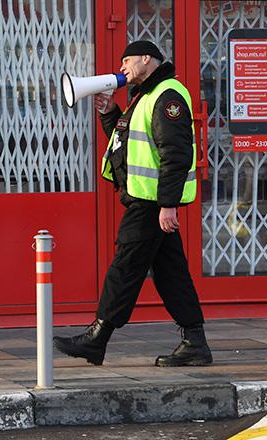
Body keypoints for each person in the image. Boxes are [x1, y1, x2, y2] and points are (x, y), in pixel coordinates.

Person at [53, 40, 212, 368]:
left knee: (125, 267)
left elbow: (176, 154)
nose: (123, 67)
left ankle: (97, 338)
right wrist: (109, 112)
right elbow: (125, 143)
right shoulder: (146, 96)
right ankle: (194, 341)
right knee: (171, 273)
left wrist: (168, 204)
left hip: (151, 202)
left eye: (128, 60)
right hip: (149, 200)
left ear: (146, 59)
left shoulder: (168, 96)